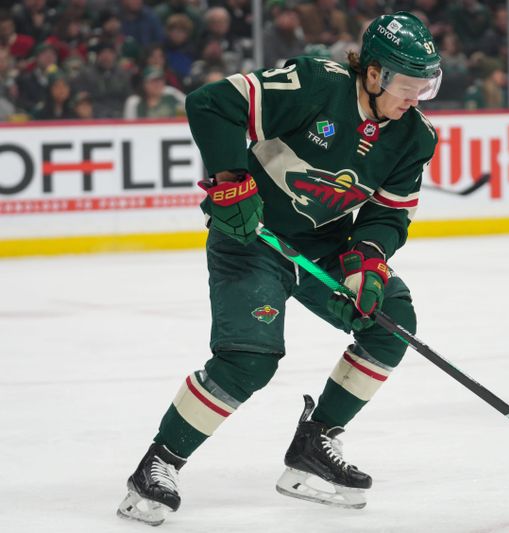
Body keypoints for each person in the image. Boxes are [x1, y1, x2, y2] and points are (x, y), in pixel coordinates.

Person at [117, 11, 441, 526]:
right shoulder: (316, 85)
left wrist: (368, 262)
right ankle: (158, 464)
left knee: (390, 325)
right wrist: (230, 179)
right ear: (374, 73)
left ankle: (313, 446)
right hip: (251, 237)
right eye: (407, 84)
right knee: (249, 360)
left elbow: (388, 213)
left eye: (426, 86)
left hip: (321, 245)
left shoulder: (414, 137)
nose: (415, 97)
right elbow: (211, 103)